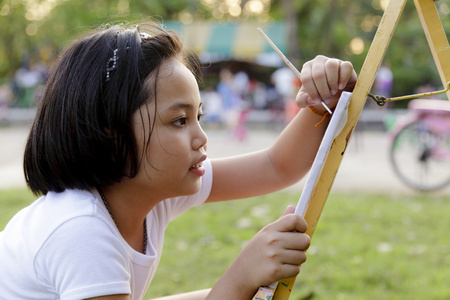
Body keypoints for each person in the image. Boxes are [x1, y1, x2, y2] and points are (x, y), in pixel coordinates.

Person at [0, 22, 356, 300]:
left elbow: (276, 167)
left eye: (198, 116)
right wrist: (242, 275)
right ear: (111, 136)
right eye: (179, 121)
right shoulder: (81, 231)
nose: (201, 137)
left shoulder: (146, 188)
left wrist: (327, 100)